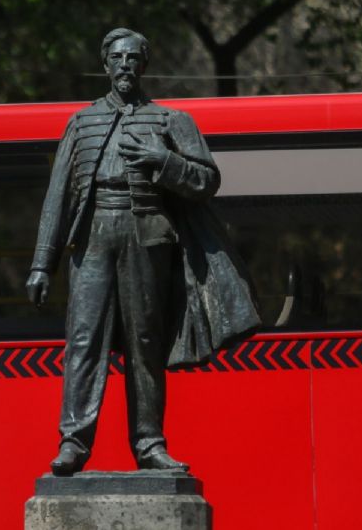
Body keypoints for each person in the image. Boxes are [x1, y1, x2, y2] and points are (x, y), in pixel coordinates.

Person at [25, 28, 260, 475]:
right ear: (105, 64)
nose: (126, 65)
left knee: (145, 345)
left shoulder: (172, 121)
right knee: (83, 341)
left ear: (144, 65)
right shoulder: (81, 123)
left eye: (134, 58)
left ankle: (150, 443)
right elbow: (57, 198)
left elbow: (206, 181)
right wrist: (42, 264)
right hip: (92, 239)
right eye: (118, 58)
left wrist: (164, 160)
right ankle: (74, 441)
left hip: (148, 237)